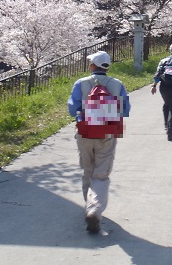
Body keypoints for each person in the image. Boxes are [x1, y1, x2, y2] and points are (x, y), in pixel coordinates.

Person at [67, 50, 131, 234]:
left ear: (93, 65)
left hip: (85, 132)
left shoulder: (81, 83)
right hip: (108, 133)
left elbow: (72, 109)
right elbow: (125, 109)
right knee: (101, 174)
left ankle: (89, 205)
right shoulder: (117, 84)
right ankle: (94, 209)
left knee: (88, 169)